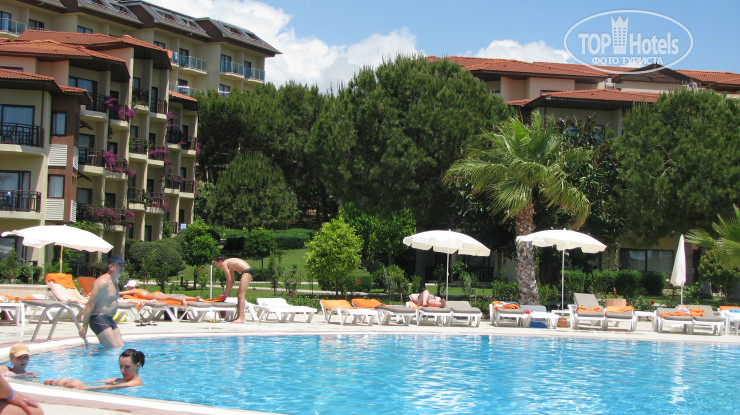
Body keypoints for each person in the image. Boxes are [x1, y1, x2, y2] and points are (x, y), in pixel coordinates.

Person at [79, 255, 126, 348]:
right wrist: (84, 326)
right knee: (112, 349)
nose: (122, 268)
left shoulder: (115, 280)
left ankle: (94, 352)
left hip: (109, 319)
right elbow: (90, 304)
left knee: (120, 348)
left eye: (123, 265)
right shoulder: (102, 282)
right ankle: (92, 356)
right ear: (111, 267)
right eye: (120, 265)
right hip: (99, 319)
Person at [44, 349, 144, 390]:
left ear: (137, 366)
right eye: (120, 366)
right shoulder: (118, 379)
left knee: (74, 383)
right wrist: (54, 383)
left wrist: (83, 388)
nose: (122, 371)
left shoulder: (136, 382)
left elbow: (110, 387)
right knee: (65, 380)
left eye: (127, 367)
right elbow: (93, 383)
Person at [213, 256, 254, 323]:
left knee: (240, 294)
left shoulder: (224, 264)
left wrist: (225, 293)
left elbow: (228, 279)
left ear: (220, 261)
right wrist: (226, 294)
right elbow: (232, 281)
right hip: (247, 271)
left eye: (215, 263)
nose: (215, 265)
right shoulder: (229, 265)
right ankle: (239, 317)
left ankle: (241, 318)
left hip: (246, 271)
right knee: (239, 294)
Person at [119, 281, 203, 306]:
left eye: (127, 287)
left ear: (130, 287)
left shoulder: (133, 290)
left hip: (152, 296)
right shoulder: (138, 289)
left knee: (168, 298)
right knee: (168, 296)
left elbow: (121, 293)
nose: (127, 288)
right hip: (154, 294)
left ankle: (181, 300)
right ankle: (195, 298)